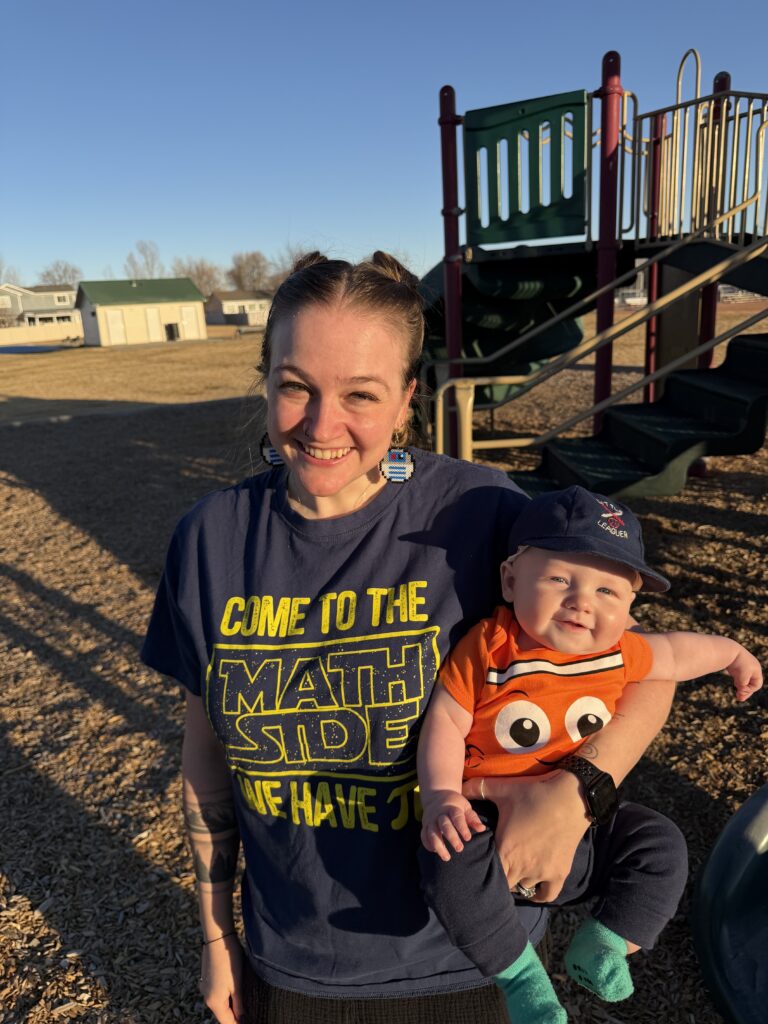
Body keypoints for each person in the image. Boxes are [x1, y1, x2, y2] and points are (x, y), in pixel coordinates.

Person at [141, 252, 681, 1024]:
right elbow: (205, 753)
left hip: (477, 952)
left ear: (405, 402)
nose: (323, 426)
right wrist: (215, 935)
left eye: (360, 394)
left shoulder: (481, 512)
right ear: (265, 380)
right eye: (296, 386)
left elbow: (647, 670)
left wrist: (578, 793)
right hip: (294, 962)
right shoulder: (209, 539)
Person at [418, 485, 763, 1024]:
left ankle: (605, 941)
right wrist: (441, 795)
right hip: (490, 824)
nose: (583, 601)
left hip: (587, 826)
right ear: (511, 579)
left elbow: (678, 651)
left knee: (661, 843)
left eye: (608, 590)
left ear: (629, 608)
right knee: (446, 857)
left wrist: (733, 654)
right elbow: (446, 720)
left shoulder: (621, 650)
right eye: (560, 579)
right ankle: (519, 977)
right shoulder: (491, 646)